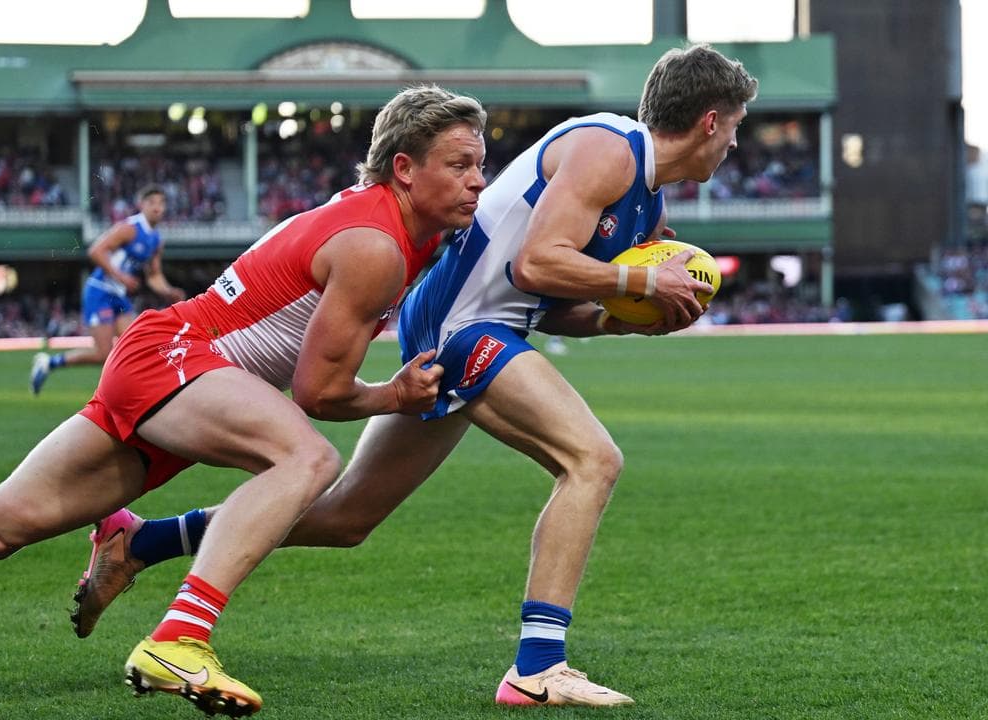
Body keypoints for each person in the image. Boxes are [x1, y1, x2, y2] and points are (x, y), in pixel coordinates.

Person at [0, 85, 488, 719]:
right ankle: (180, 637)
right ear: (403, 169)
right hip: (177, 360)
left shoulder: (401, 231)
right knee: (307, 459)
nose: (478, 182)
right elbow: (318, 393)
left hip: (179, 369)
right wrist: (392, 394)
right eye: (460, 165)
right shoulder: (375, 245)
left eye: (482, 166)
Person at [69, 44, 757, 709]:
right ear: (709, 121)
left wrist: (617, 320)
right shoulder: (610, 150)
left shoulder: (648, 206)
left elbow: (544, 302)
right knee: (592, 460)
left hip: (480, 325)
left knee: (347, 518)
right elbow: (537, 263)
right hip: (464, 327)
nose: (734, 143)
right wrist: (643, 280)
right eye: (734, 126)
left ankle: (141, 542)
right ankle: (538, 668)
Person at [31, 186, 184, 394]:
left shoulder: (156, 239)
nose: (157, 207)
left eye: (161, 203)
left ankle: (139, 393)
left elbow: (153, 275)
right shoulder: (129, 228)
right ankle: (49, 363)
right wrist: (121, 277)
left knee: (137, 344)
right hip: (100, 291)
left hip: (118, 296)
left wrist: (169, 291)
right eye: (152, 202)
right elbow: (96, 251)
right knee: (103, 353)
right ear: (142, 205)